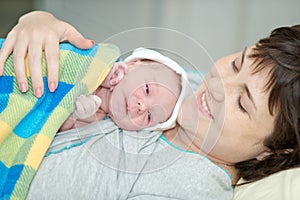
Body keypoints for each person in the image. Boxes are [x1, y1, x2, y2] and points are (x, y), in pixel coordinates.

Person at [0, 11, 299, 200]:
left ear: (272, 151)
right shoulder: (189, 85)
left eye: (243, 104)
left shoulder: (192, 188)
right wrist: (41, 24)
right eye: (236, 64)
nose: (220, 87)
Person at [60, 48, 187, 131]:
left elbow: (54, 128)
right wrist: (101, 73)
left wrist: (74, 115)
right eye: (147, 90)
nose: (141, 107)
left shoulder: (95, 121)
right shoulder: (102, 58)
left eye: (149, 116)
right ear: (132, 65)